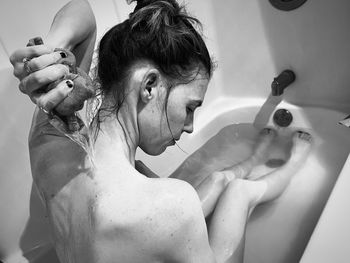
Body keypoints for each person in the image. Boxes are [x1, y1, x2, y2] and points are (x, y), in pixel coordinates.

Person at [9, 0, 312, 262]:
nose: (191, 126)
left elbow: (81, 10)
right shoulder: (173, 205)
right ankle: (294, 162)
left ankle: (250, 160)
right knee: (237, 193)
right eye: (190, 107)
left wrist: (51, 51)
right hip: (158, 223)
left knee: (220, 180)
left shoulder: (48, 145)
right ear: (149, 86)